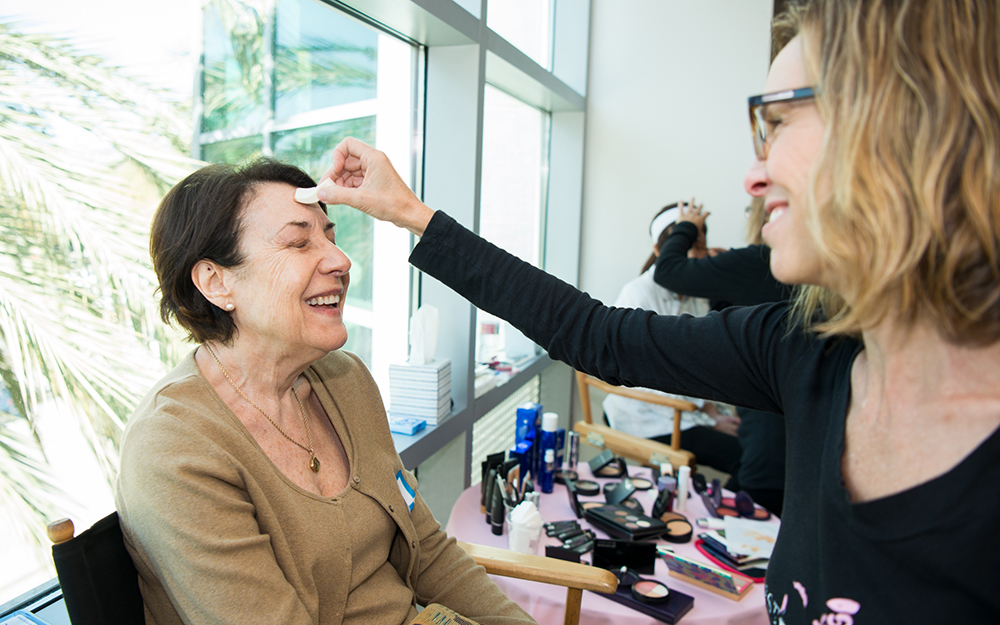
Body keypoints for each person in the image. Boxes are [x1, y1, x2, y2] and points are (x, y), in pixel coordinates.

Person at [315, 1, 1000, 621]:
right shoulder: (806, 352)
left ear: (905, 124)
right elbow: (594, 332)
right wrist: (408, 213)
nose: (754, 176)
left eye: (780, 121)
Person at [114, 159, 534, 625]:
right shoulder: (175, 448)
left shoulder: (345, 379)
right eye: (298, 242)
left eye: (329, 238)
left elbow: (428, 550)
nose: (341, 260)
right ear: (217, 283)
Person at [655, 199, 789, 515]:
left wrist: (710, 415)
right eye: (695, 241)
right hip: (778, 430)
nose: (703, 250)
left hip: (770, 439)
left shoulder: (759, 262)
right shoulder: (639, 291)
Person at [604, 203, 743, 484]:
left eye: (700, 246)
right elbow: (636, 376)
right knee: (748, 458)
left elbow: (701, 361)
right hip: (645, 415)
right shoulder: (637, 294)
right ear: (661, 252)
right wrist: (706, 416)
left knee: (759, 444)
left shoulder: (697, 295)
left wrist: (710, 410)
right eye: (687, 246)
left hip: (685, 411)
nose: (696, 255)